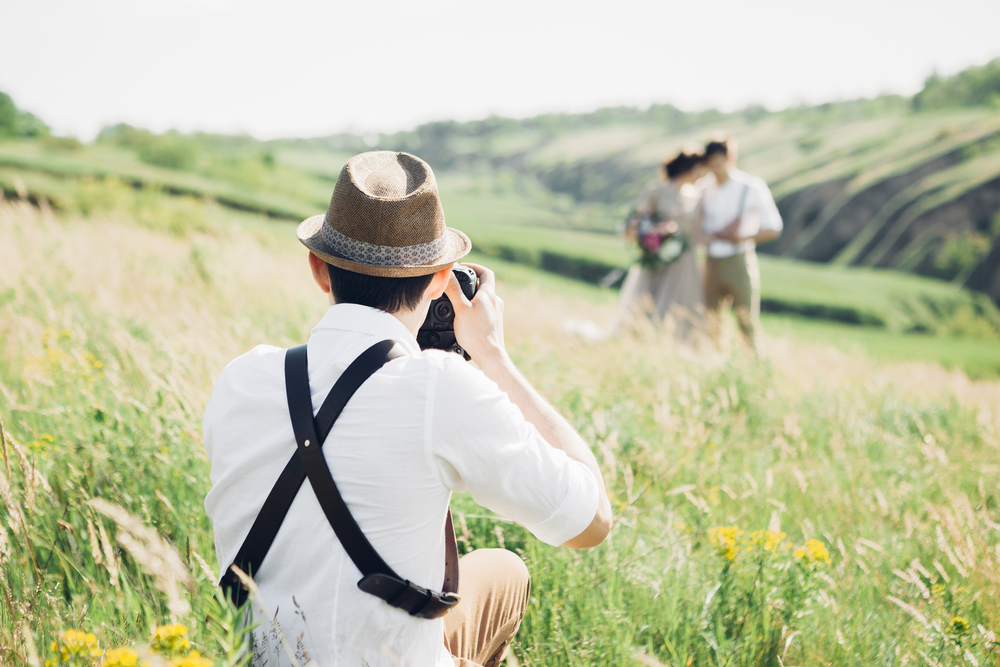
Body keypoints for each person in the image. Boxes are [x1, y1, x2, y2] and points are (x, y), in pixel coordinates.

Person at [203, 151, 612, 667]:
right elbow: (593, 521)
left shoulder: (241, 379)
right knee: (506, 572)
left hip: (260, 659)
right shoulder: (443, 388)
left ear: (318, 270)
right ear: (442, 279)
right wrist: (491, 354)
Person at [610, 148, 707, 341]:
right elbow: (640, 222)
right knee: (647, 300)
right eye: (700, 168)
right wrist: (657, 238)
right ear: (690, 167)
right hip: (656, 258)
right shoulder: (657, 190)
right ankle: (637, 338)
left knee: (680, 304)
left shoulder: (697, 196)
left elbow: (698, 231)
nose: (702, 174)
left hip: (683, 262)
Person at [700, 135, 782, 352]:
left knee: (746, 320)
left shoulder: (751, 186)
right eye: (710, 166)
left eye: (718, 164)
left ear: (731, 158)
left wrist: (741, 238)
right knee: (711, 321)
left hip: (739, 260)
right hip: (710, 262)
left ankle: (756, 366)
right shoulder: (704, 188)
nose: (714, 170)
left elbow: (774, 227)